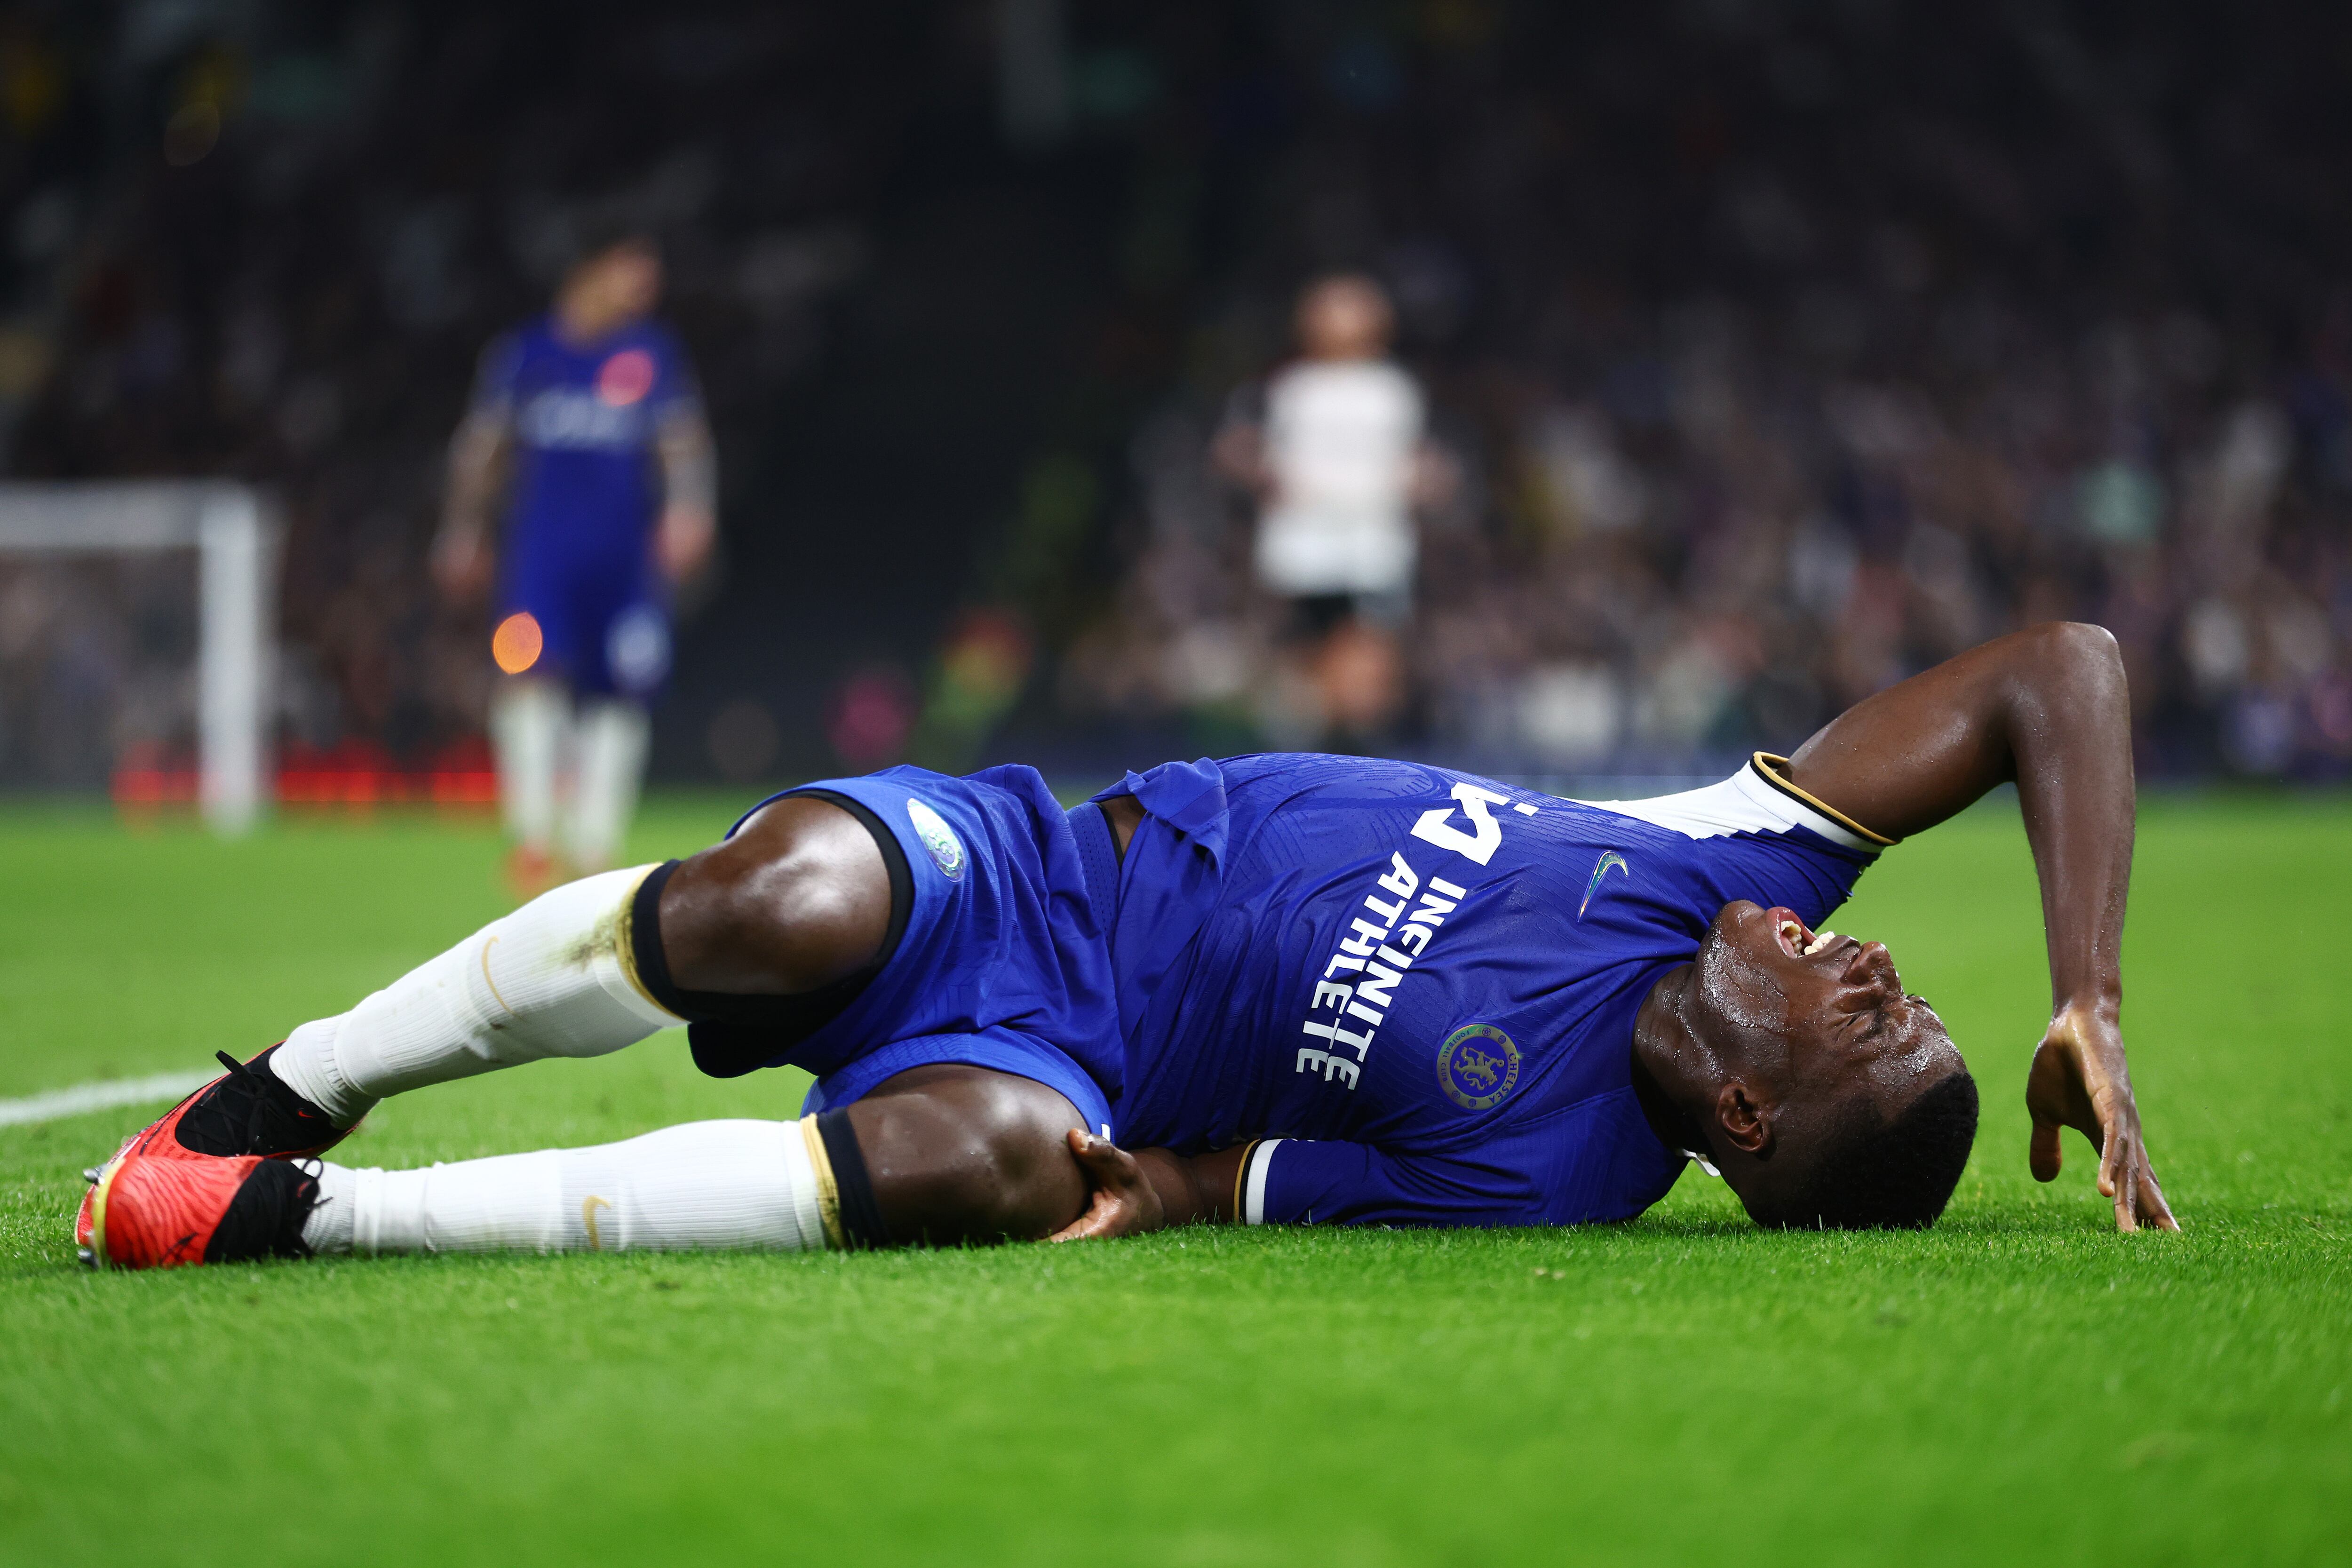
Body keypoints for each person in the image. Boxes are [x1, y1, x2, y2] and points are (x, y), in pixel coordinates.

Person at [74, 624, 2173, 1269]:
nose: (1884, 970)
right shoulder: (1748, 854)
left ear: (1741, 1109)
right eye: (1882, 981)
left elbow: (1219, 1177)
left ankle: (299, 1213)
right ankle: (305, 1075)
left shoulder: (1552, 1172)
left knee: (983, 1169)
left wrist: (1122, 1181)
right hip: (1025, 874)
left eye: (1867, 1028)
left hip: (1057, 1054)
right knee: (765, 905)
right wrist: (2079, 984)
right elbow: (2056, 675)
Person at [433, 226, 717, 892]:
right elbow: (482, 447)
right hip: (542, 555)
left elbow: (683, 443)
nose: (646, 288)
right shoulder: (526, 354)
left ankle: (595, 846)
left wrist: (689, 509)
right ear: (589, 270)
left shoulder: (653, 353)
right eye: (632, 271)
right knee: (528, 678)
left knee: (622, 691)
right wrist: (462, 529)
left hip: (625, 561)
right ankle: (532, 839)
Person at [1213, 274, 1450, 740]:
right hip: (1302, 547)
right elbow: (1237, 447)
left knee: (1364, 653)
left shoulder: (1392, 390)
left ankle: (1354, 753)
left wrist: (1421, 483)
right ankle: (1320, 755)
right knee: (1309, 657)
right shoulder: (1287, 388)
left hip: (1370, 544)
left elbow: (1423, 462)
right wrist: (1264, 472)